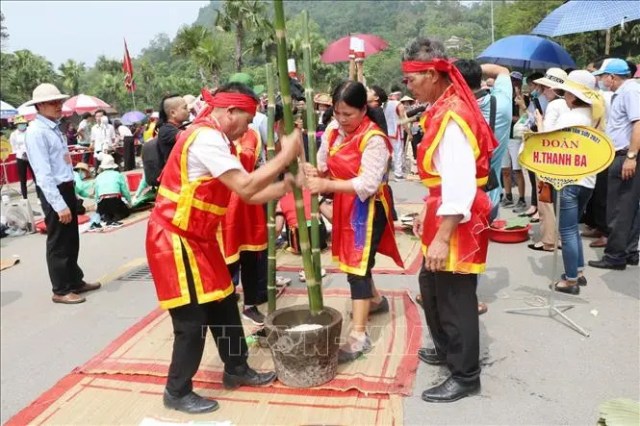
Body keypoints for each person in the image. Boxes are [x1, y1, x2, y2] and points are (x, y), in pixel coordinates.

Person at [145, 82, 301, 414]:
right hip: (175, 239)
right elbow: (246, 184)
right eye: (247, 120)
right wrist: (286, 156)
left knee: (224, 302)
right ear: (230, 112)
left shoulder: (218, 139)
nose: (247, 128)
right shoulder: (205, 138)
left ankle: (236, 368)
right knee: (191, 320)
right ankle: (177, 390)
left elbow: (248, 195)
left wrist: (285, 185)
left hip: (199, 238)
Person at [402, 37, 497, 403]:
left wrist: (442, 236)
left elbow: (459, 184)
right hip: (444, 211)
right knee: (432, 285)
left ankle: (465, 374)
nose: (407, 87)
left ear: (430, 73)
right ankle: (446, 348)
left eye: (411, 80)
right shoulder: (443, 106)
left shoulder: (452, 115)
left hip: (457, 219)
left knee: (455, 297)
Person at [305, 80, 403, 363]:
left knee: (357, 267)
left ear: (364, 110)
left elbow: (367, 184)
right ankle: (374, 300)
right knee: (354, 260)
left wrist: (328, 186)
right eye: (338, 112)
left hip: (368, 209)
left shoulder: (374, 139)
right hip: (346, 204)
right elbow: (324, 164)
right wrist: (314, 171)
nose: (342, 119)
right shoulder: (333, 132)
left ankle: (359, 336)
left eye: (348, 114)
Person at [24, 83, 100, 304]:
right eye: (52, 102)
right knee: (58, 241)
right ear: (40, 105)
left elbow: (62, 164)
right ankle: (61, 288)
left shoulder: (53, 128)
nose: (58, 106)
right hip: (53, 190)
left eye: (59, 101)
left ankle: (74, 280)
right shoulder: (36, 132)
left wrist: (71, 193)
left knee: (71, 238)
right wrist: (58, 204)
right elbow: (43, 173)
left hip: (65, 186)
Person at [542, 70, 605, 293]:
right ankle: (577, 270)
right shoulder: (594, 116)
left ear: (572, 95)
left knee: (566, 231)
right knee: (573, 229)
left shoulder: (570, 118)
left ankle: (570, 281)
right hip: (587, 181)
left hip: (567, 181)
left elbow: (545, 142)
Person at [589, 59, 640, 270]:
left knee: (618, 209)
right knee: (628, 206)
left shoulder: (630, 92)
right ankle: (628, 251)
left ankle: (615, 255)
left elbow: (638, 123)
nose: (602, 81)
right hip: (623, 154)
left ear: (613, 77)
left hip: (625, 155)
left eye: (603, 76)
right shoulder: (627, 92)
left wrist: (631, 156)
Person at [220, 126, 270, 326]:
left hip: (249, 202)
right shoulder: (211, 135)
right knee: (225, 258)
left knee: (251, 256)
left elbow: (260, 165)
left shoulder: (252, 135)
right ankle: (224, 306)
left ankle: (250, 305)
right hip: (222, 204)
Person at [94, 154, 132, 226]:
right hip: (115, 201)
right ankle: (116, 216)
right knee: (126, 211)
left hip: (102, 203)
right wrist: (129, 202)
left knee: (105, 213)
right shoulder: (118, 175)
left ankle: (107, 216)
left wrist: (96, 205)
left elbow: (96, 194)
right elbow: (125, 191)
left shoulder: (98, 177)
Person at [157, 94, 190, 164]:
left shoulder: (180, 127)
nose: (189, 110)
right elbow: (188, 136)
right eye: (185, 108)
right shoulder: (166, 130)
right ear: (173, 113)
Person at [9, 116, 36, 199]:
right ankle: (25, 197)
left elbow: (34, 143)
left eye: (23, 123)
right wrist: (21, 152)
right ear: (17, 125)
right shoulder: (14, 134)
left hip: (32, 155)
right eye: (20, 124)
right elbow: (14, 147)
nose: (22, 125)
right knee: (23, 178)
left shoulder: (30, 132)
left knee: (36, 176)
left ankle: (40, 196)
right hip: (21, 157)